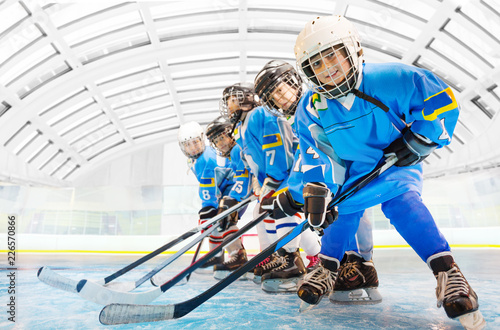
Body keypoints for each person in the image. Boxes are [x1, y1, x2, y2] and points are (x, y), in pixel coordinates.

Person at [292, 14, 485, 329]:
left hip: (394, 162)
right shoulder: (311, 107)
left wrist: (419, 140)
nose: (327, 68)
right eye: (316, 63)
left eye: (332, 55)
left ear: (353, 50)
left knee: (404, 204)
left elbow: (442, 101)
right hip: (351, 174)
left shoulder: (391, 78)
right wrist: (318, 192)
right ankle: (327, 268)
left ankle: (448, 272)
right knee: (341, 212)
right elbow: (314, 155)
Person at [254, 59, 381, 304]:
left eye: (281, 90)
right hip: (331, 178)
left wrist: (298, 192)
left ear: (293, 82)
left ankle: (359, 265)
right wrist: (296, 192)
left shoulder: (315, 101)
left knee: (352, 212)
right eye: (273, 97)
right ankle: (349, 267)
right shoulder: (295, 116)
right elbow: (305, 157)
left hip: (349, 172)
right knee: (334, 219)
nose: (280, 98)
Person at [219, 83, 321, 293]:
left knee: (282, 209)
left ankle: (293, 258)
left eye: (232, 99)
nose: (228, 105)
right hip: (276, 177)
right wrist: (255, 184)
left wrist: (273, 180)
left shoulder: (260, 115)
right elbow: (251, 162)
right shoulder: (241, 127)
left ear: (247, 99)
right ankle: (277, 255)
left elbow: (276, 148)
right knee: (261, 211)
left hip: (289, 174)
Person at [177, 121, 248, 278]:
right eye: (188, 145)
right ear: (182, 147)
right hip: (227, 192)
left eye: (195, 142)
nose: (193, 147)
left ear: (202, 140)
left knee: (225, 220)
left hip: (236, 191)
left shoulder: (206, 159)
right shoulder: (196, 159)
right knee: (215, 221)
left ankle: (238, 256)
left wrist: (208, 207)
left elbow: (209, 187)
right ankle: (216, 256)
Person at [205, 116, 254, 279]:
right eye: (216, 141)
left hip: (264, 185)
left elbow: (244, 176)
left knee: (227, 216)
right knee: (227, 219)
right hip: (258, 186)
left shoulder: (237, 150)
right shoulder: (233, 153)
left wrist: (231, 198)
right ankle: (238, 255)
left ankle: (239, 256)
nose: (220, 143)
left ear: (230, 134)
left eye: (222, 137)